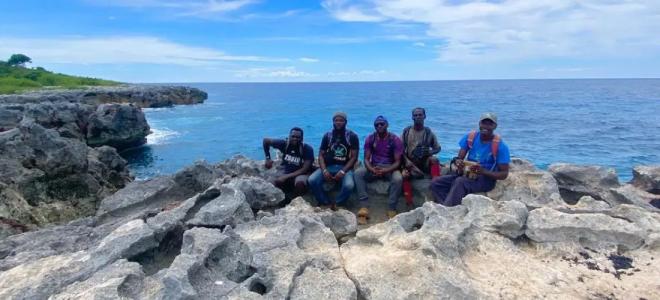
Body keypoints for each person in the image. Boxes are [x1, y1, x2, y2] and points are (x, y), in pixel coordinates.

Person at [430, 112, 510, 206]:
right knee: (435, 183)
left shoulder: (499, 145)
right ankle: (447, 206)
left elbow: (504, 174)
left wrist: (483, 171)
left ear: (495, 126)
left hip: (485, 179)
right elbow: (459, 158)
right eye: (484, 123)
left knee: (459, 182)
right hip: (467, 174)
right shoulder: (471, 137)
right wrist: (458, 162)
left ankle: (448, 209)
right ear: (479, 124)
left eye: (490, 124)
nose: (486, 126)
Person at [354, 115, 404, 224]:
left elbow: (397, 162)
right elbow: (366, 158)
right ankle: (364, 206)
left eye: (382, 124)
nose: (379, 126)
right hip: (374, 165)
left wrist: (385, 171)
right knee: (358, 173)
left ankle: (391, 208)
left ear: (387, 125)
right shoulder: (370, 139)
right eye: (377, 124)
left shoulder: (395, 140)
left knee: (398, 179)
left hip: (389, 167)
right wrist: (371, 169)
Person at [308, 112, 360, 209]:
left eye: (341, 120)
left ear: (346, 122)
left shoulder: (352, 136)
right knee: (312, 180)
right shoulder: (328, 136)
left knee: (349, 185)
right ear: (333, 122)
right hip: (329, 166)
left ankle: (338, 203)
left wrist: (343, 171)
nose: (338, 123)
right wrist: (324, 170)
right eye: (336, 120)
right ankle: (324, 202)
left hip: (345, 167)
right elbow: (321, 155)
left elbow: (354, 157)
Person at [401, 107, 442, 207]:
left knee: (434, 159)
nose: (418, 117)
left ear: (424, 116)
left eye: (420, 115)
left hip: (424, 162)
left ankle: (436, 184)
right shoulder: (406, 132)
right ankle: (409, 201)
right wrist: (407, 162)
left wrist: (429, 152)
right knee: (405, 176)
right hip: (411, 162)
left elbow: (438, 148)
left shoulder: (429, 133)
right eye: (415, 115)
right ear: (412, 117)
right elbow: (400, 150)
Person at [263, 127, 314, 197]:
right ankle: (280, 200)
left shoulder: (307, 149)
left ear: (302, 138)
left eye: (298, 137)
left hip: (300, 173)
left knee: (300, 183)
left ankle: (295, 199)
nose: (295, 139)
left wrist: (286, 177)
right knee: (271, 183)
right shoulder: (284, 144)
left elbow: (304, 169)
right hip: (285, 170)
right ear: (289, 136)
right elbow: (266, 141)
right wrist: (268, 158)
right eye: (293, 136)